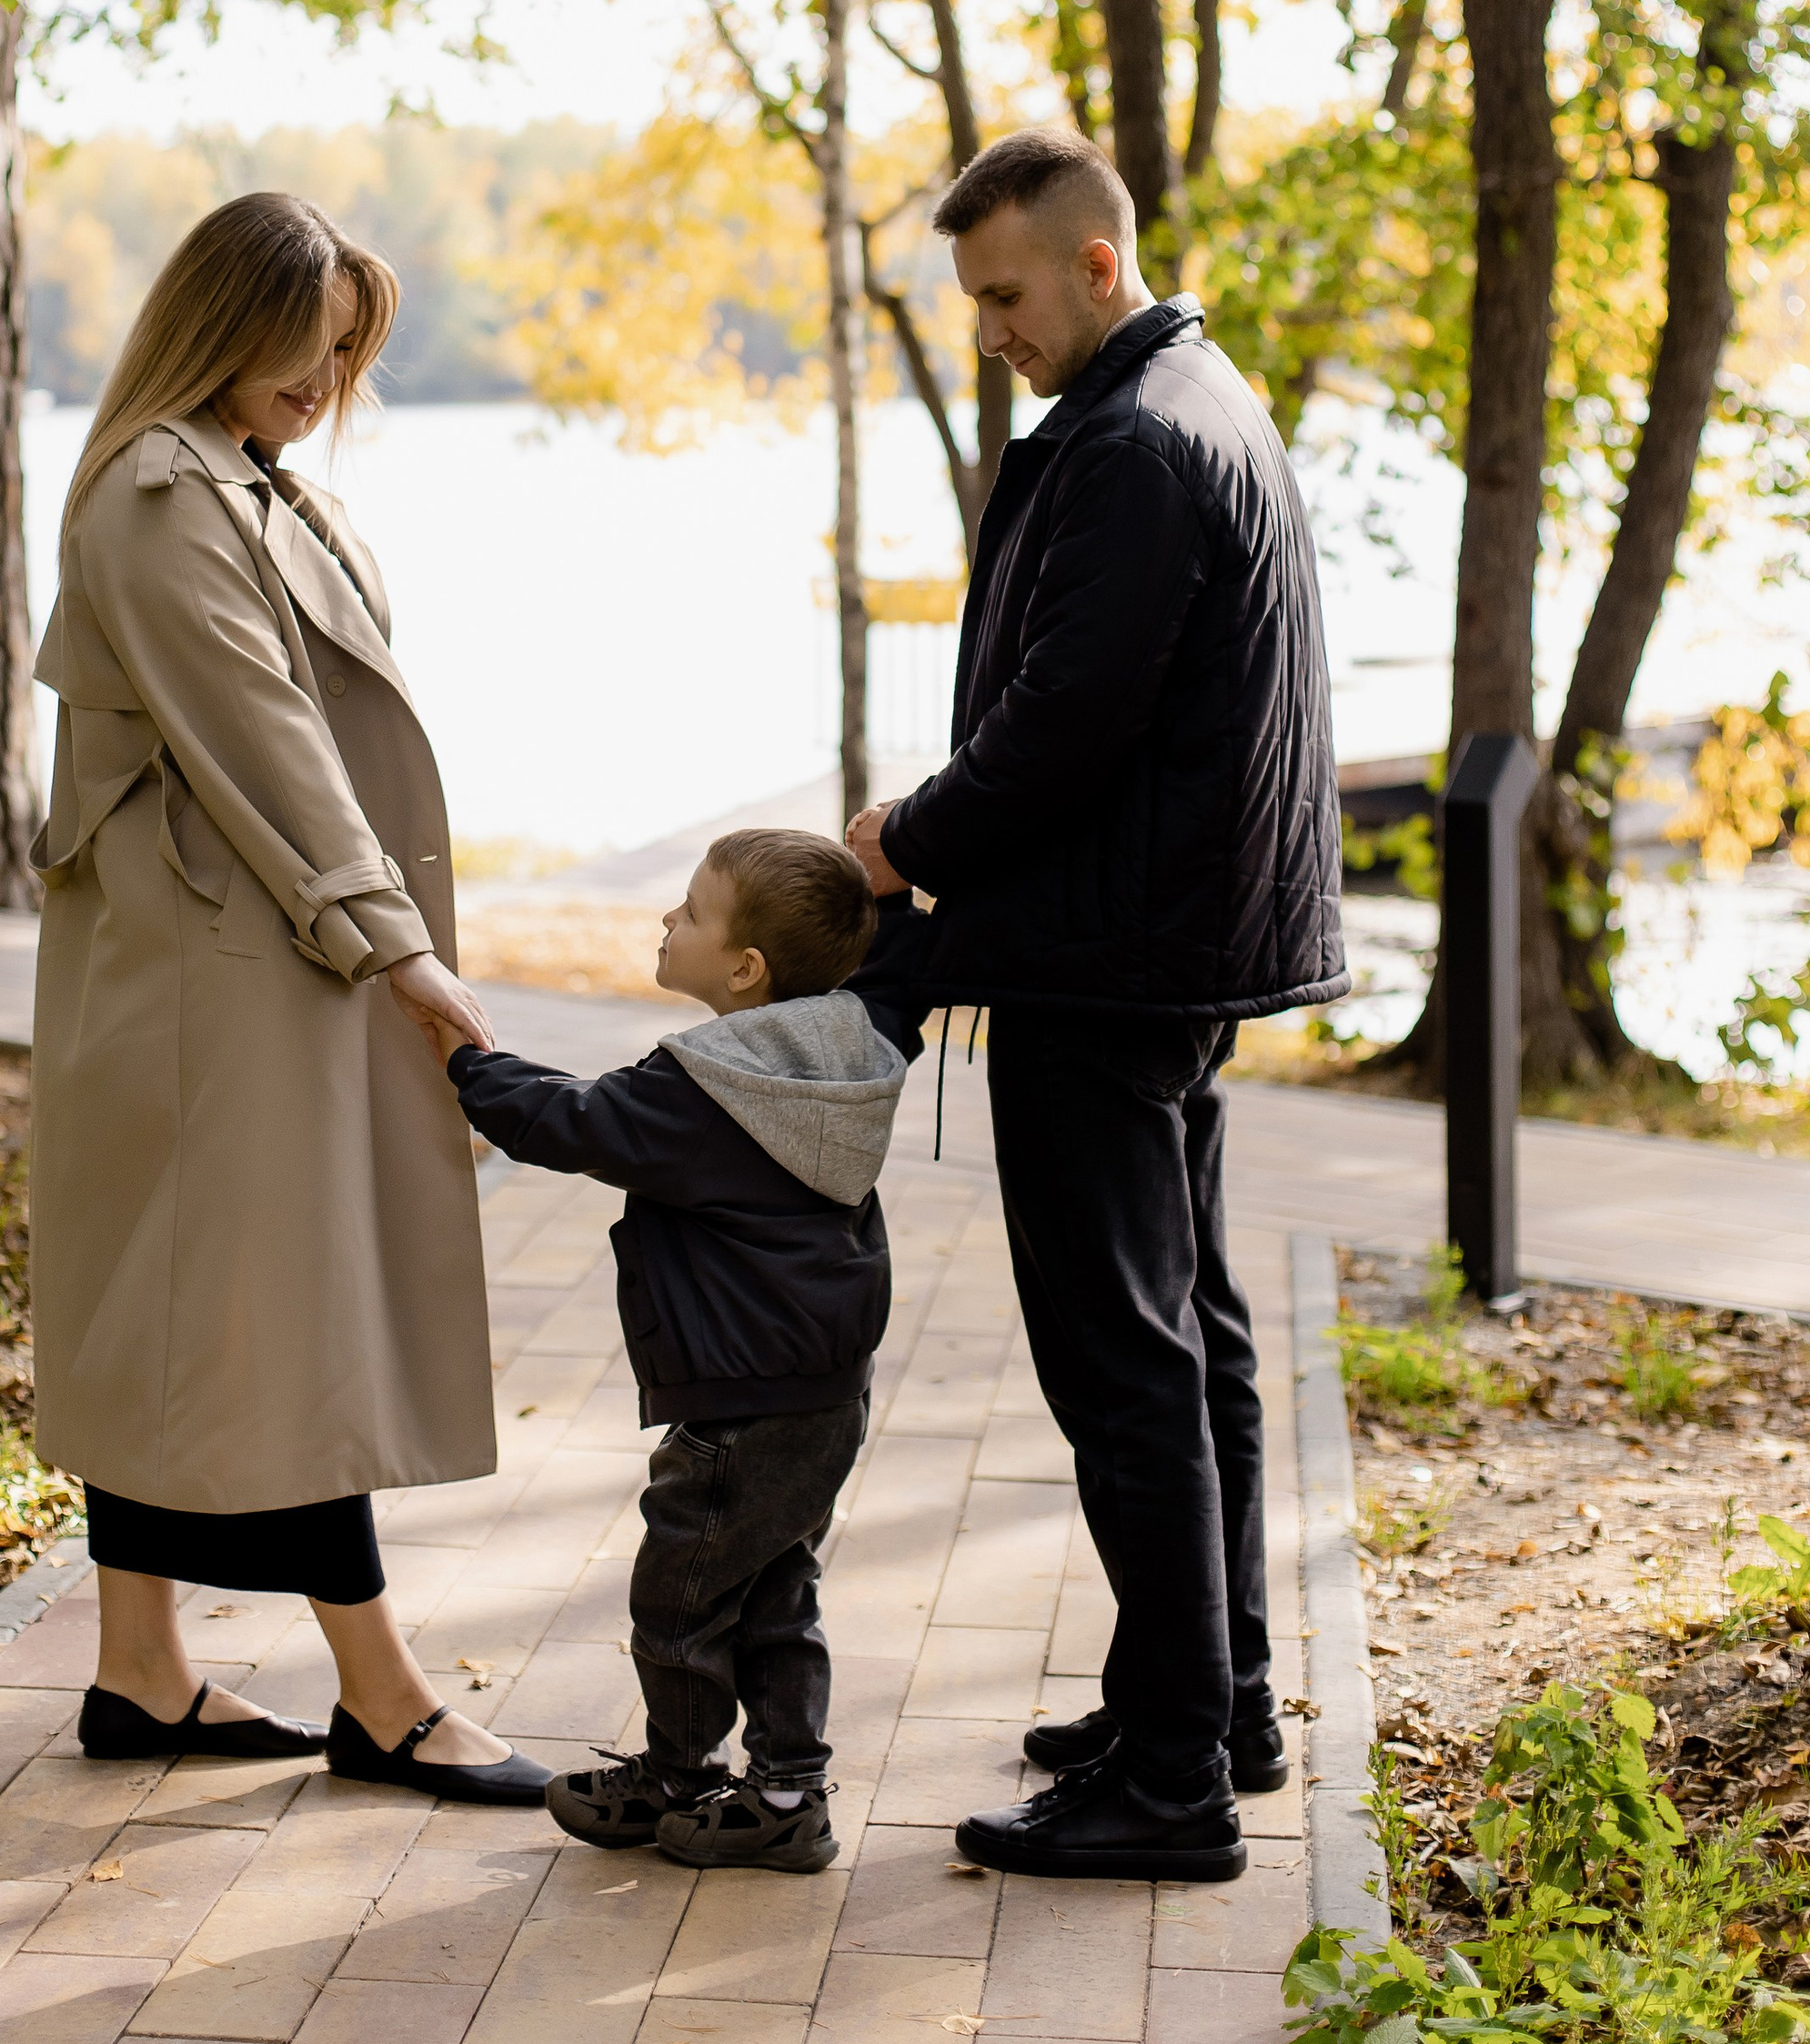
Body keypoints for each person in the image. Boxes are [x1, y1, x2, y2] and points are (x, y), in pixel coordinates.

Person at [846, 128, 1346, 1886]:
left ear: (1095, 265)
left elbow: (1068, 721)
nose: (988, 324)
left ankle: (1173, 1782)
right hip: (1165, 951)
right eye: (971, 296)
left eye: (1002, 292)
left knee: (1122, 1357)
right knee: (1192, 1331)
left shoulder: (1136, 439)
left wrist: (908, 834)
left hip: (1105, 958)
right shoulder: (1205, 392)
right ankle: (1212, 1702)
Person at [29, 190, 550, 1806]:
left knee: (185, 1323)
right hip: (224, 976)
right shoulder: (161, 496)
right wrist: (397, 944)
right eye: (301, 346)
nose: (324, 382)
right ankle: (383, 1696)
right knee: (277, 1333)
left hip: (235, 967)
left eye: (341, 354)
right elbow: (266, 743)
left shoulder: (247, 488)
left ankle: (140, 1671)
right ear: (219, 321)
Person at [417, 831, 905, 1875]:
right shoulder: (842, 1055)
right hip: (821, 1388)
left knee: (680, 1594)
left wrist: (468, 1065)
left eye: (688, 911)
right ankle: (783, 1793)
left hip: (739, 1399)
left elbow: (578, 1122)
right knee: (773, 1586)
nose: (665, 922)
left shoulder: (709, 1092)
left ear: (744, 970)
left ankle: (677, 1776)